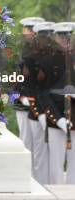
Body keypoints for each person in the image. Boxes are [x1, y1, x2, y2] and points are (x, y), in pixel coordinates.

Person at [38, 22, 74, 184]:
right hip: (56, 117)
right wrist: (58, 119)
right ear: (55, 38)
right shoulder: (47, 61)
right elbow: (43, 93)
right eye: (62, 36)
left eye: (68, 36)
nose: (65, 40)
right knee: (56, 166)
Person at [28, 21, 55, 185]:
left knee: (53, 151)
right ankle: (39, 182)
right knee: (38, 148)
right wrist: (39, 111)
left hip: (54, 108)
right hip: (37, 108)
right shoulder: (32, 58)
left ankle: (51, 183)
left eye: (49, 36)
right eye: (44, 36)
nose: (47, 39)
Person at [14, 16, 46, 152]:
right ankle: (26, 172)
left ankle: (37, 173)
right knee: (26, 140)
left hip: (41, 100)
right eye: (30, 30)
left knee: (41, 141)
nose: (33, 33)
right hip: (23, 100)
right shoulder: (17, 50)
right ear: (24, 31)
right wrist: (20, 96)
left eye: (35, 30)